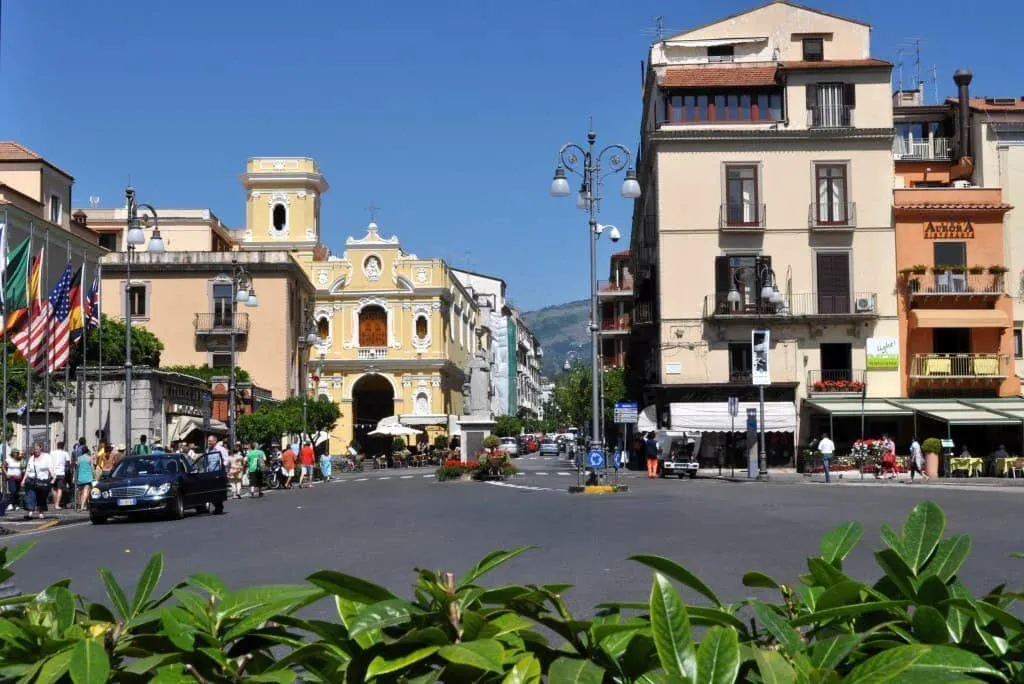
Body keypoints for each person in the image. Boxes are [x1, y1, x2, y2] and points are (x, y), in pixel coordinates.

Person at [22, 443, 53, 520]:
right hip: (31, 480)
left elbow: (50, 467)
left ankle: (41, 512)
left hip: (43, 481)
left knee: (41, 497)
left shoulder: (47, 457)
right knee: (31, 496)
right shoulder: (31, 458)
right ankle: (30, 513)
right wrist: (23, 480)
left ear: (41, 449)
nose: (36, 451)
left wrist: (53, 476)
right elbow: (28, 470)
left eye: (37, 449)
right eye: (35, 449)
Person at [49, 440, 70, 510]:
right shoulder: (65, 453)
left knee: (54, 489)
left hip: (53, 473)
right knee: (60, 489)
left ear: (57, 446)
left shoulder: (52, 453)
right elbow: (68, 463)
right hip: (61, 473)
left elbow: (49, 462)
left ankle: (55, 503)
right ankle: (57, 504)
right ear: (63, 447)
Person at [76, 443, 94, 509]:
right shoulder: (90, 458)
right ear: (87, 451)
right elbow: (92, 468)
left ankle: (81, 504)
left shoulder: (79, 458)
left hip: (80, 477)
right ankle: (82, 506)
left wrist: (75, 477)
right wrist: (94, 476)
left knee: (80, 492)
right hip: (88, 477)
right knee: (86, 491)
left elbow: (77, 469)